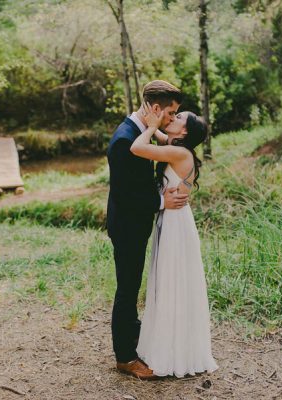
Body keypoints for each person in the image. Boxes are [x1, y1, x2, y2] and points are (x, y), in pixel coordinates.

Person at [106, 80, 188, 380]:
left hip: (136, 223)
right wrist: (160, 200)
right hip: (127, 226)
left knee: (133, 284)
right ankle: (125, 357)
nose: (171, 120)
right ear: (155, 108)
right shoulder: (123, 140)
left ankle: (135, 337)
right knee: (127, 289)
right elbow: (126, 194)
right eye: (170, 113)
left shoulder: (139, 131)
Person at [130, 104, 218, 378]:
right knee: (172, 280)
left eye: (177, 117)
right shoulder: (177, 146)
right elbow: (158, 139)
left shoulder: (179, 152)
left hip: (175, 222)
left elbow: (137, 147)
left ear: (184, 131)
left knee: (172, 281)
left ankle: (172, 352)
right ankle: (172, 344)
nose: (173, 117)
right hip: (175, 219)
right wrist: (154, 116)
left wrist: (153, 126)